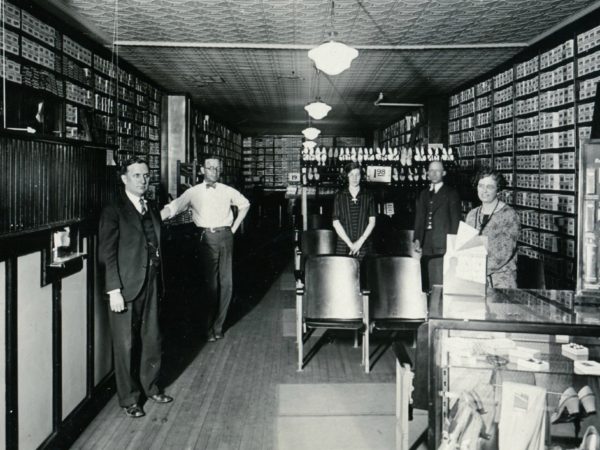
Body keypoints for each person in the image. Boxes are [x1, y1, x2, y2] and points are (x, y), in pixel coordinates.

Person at [98, 157, 173, 418]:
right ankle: (129, 399)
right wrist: (113, 290)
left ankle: (151, 387)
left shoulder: (150, 206)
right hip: (126, 287)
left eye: (146, 175)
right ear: (124, 179)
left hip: (152, 282)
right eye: (137, 175)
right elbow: (106, 253)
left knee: (153, 338)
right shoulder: (113, 209)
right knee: (125, 345)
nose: (143, 180)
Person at [161, 155, 250, 342]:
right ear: (202, 170)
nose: (214, 171)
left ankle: (219, 326)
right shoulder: (194, 192)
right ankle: (207, 327)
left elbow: (245, 204)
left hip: (226, 236)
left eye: (217, 168)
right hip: (206, 238)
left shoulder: (227, 190)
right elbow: (174, 207)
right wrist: (152, 219)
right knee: (210, 284)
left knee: (227, 283)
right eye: (210, 168)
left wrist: (233, 229)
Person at [466, 168, 520, 288]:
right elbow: (464, 248)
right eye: (481, 186)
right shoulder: (472, 215)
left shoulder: (509, 215)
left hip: (500, 281)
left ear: (498, 190)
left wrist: (474, 271)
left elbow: (503, 254)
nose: (484, 191)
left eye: (489, 187)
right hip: (474, 279)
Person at [413, 160, 461, 291]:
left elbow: (455, 221)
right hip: (426, 243)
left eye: (437, 170)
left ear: (444, 173)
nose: (433, 174)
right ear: (427, 173)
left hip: (443, 244)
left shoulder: (451, 193)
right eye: (431, 171)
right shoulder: (423, 194)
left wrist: (452, 245)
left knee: (440, 279)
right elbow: (419, 218)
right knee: (426, 278)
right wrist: (417, 239)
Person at [332, 162, 376, 259]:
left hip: (364, 245)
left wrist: (359, 242)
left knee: (364, 272)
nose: (354, 178)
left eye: (357, 174)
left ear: (361, 176)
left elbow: (372, 222)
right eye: (351, 174)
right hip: (343, 245)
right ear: (347, 176)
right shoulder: (339, 196)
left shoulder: (368, 196)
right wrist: (350, 244)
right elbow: (336, 222)